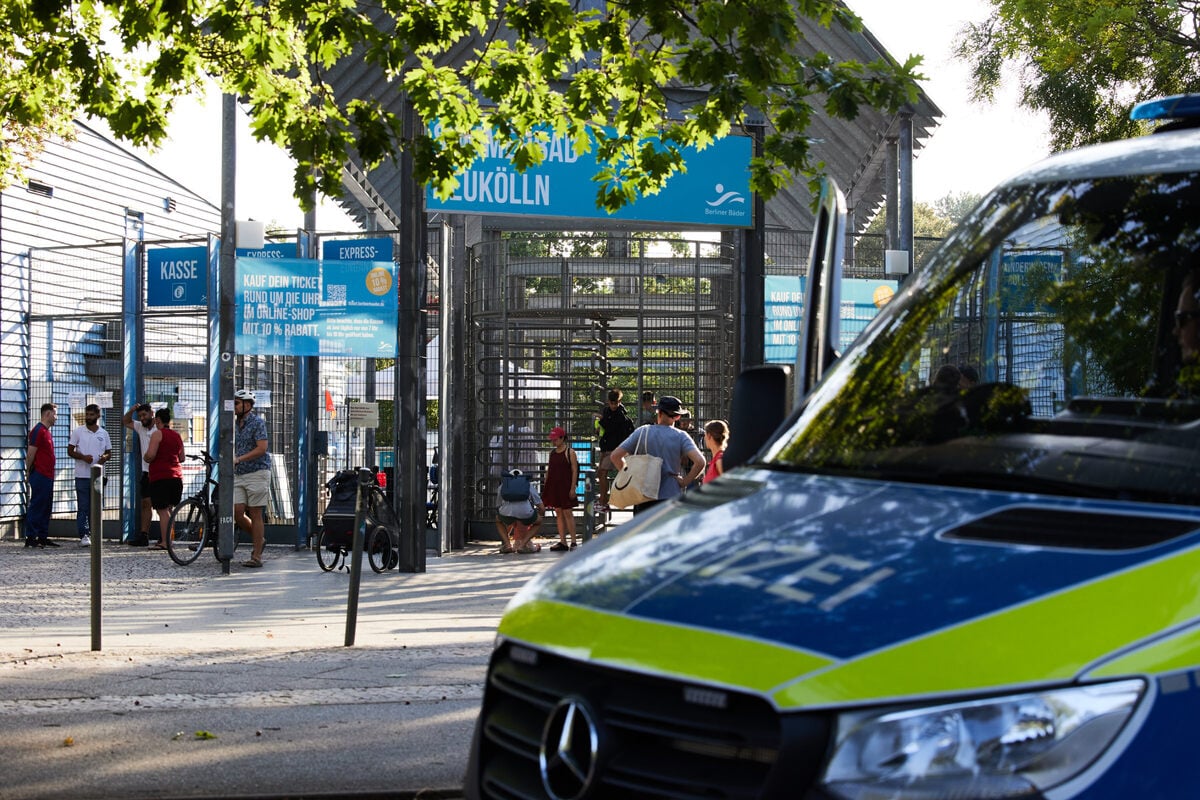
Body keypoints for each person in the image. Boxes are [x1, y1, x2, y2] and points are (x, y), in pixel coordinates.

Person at [611, 395, 705, 515]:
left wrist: (629, 475)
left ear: (658, 412)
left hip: (644, 495)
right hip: (671, 496)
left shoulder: (642, 431)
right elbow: (700, 462)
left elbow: (615, 456)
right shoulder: (681, 436)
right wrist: (684, 481)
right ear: (677, 417)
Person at [233, 389, 271, 568]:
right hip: (239, 473)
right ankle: (260, 540)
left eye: (237, 403)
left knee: (256, 513)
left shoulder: (257, 423)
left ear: (247, 405)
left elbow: (262, 448)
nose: (234, 406)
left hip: (257, 472)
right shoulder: (234, 424)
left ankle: (256, 556)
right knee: (237, 512)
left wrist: (239, 459)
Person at [67, 403, 112, 547]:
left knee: (96, 506)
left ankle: (95, 533)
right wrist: (82, 457)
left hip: (97, 475)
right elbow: (70, 450)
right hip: (82, 475)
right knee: (83, 506)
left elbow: (109, 452)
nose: (88, 417)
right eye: (87, 414)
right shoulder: (78, 431)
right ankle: (84, 534)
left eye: (91, 415)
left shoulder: (103, 433)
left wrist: (104, 457)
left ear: (98, 416)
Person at [142, 407, 183, 550]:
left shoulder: (157, 434)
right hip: (176, 477)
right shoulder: (177, 435)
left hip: (161, 477)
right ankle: (170, 539)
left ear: (157, 420)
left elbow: (150, 455)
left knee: (162, 510)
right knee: (169, 510)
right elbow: (182, 458)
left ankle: (166, 542)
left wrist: (145, 457)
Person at [594, 388, 634, 513]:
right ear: (608, 402)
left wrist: (600, 419)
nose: (613, 405)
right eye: (611, 403)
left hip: (615, 449)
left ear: (619, 401)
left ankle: (603, 501)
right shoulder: (608, 412)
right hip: (607, 447)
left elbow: (610, 427)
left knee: (602, 473)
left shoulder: (620, 415)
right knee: (603, 474)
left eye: (615, 403)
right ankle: (605, 500)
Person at [25, 402, 58, 549]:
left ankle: (42, 536)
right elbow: (31, 453)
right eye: (55, 414)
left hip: (48, 474)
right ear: (47, 414)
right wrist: (28, 472)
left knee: (46, 506)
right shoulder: (38, 430)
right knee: (38, 504)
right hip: (40, 473)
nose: (56, 417)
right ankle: (31, 536)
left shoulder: (46, 431)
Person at [122, 402, 155, 545]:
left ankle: (166, 536)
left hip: (159, 472)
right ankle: (144, 535)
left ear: (151, 413)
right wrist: (132, 410)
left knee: (163, 506)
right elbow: (125, 421)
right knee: (146, 504)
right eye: (140, 415)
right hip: (146, 472)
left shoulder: (158, 429)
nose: (142, 418)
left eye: (144, 414)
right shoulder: (140, 427)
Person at [542, 426, 579, 550]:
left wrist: (573, 488)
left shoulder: (570, 453)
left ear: (563, 438)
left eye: (556, 439)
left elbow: (575, 470)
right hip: (555, 486)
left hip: (566, 486)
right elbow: (549, 471)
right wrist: (546, 486)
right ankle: (563, 541)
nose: (553, 441)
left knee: (567, 512)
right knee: (558, 512)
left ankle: (573, 541)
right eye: (552, 439)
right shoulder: (552, 453)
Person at [494, 469, 545, 554]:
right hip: (525, 513)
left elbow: (498, 505)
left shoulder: (503, 486)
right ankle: (523, 545)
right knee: (538, 522)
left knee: (498, 520)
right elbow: (542, 507)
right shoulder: (528, 485)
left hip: (506, 512)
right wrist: (539, 515)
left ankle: (507, 545)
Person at [702, 419, 729, 484]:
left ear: (709, 436)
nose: (704, 438)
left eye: (705, 435)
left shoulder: (719, 460)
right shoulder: (717, 458)